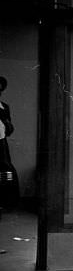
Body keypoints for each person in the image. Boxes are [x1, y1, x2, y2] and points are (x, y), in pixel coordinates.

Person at [0, 75, 19, 216]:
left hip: (1, 143)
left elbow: (10, 129)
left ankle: (4, 202)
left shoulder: (4, 107)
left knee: (6, 171)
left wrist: (6, 123)